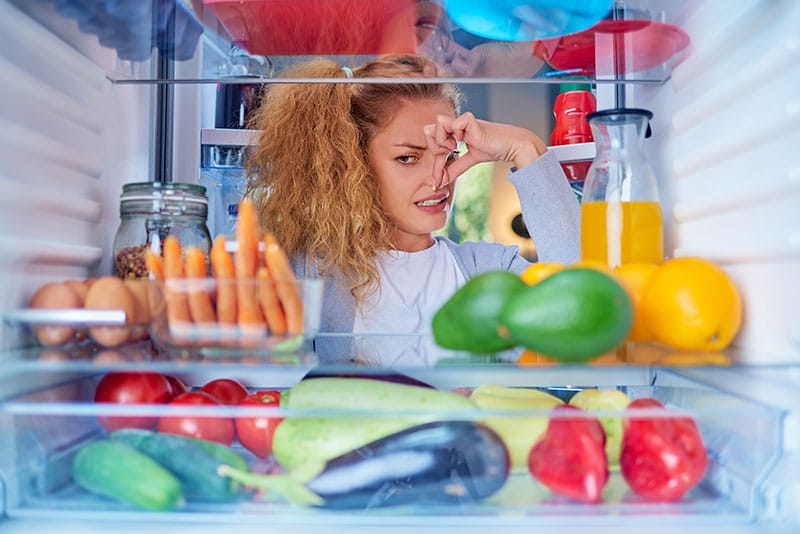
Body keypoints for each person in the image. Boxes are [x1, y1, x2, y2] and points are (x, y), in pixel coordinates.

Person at [245, 54, 579, 360]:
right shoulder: (307, 272)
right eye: (408, 158)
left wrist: (522, 147)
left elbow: (585, 306)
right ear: (352, 164)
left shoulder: (488, 270)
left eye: (448, 156)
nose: (439, 179)